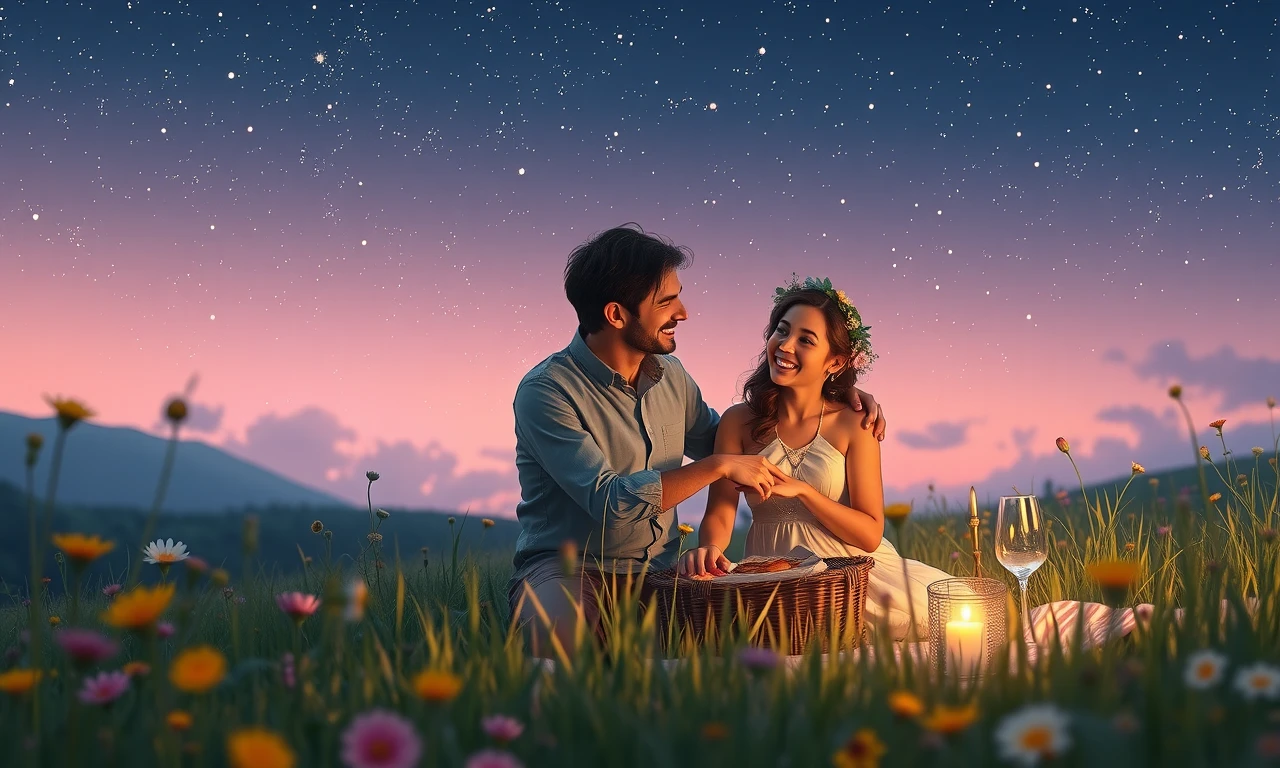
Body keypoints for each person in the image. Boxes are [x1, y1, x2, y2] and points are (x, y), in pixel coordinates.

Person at [680, 276, 1140, 649]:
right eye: (782, 329)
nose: (786, 345)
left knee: (974, 615)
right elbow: (720, 509)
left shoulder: (853, 424)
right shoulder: (740, 421)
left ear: (835, 360)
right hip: (772, 569)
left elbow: (869, 530)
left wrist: (803, 491)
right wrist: (713, 551)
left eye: (806, 339)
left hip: (853, 569)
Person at [509, 227, 888, 657]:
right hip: (573, 568)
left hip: (662, 571)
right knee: (561, 636)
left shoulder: (671, 376)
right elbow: (611, 503)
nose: (683, 312)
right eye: (665, 302)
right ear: (616, 315)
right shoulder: (547, 392)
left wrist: (836, 395)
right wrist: (721, 467)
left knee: (720, 658)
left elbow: (740, 444)